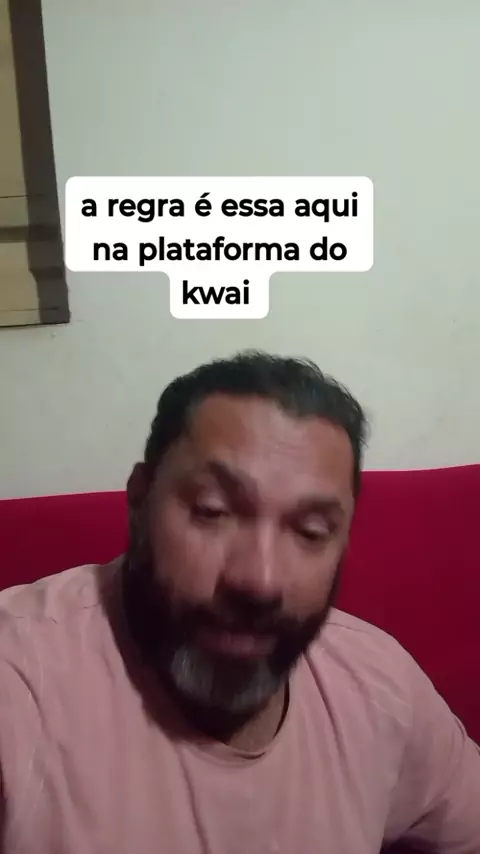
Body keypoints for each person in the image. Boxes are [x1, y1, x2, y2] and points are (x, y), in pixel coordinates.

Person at [0, 351, 479, 854]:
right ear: (140, 499)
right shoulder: (19, 686)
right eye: (212, 511)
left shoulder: (381, 685)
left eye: (311, 531)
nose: (260, 581)